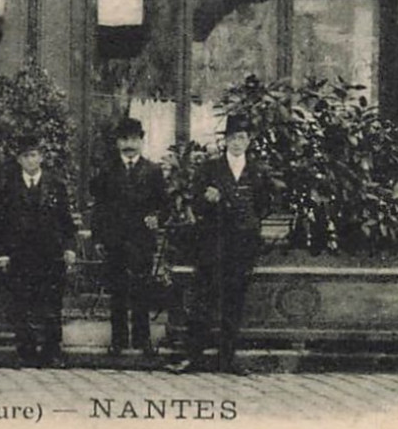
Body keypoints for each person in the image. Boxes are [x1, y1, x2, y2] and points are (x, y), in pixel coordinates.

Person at [170, 114, 271, 376]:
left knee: (233, 303)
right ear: (225, 140)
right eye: (232, 138)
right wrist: (208, 199)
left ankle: (228, 360)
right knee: (203, 301)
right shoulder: (210, 168)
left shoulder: (258, 170)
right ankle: (193, 357)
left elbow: (264, 205)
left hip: (242, 246)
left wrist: (247, 221)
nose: (236, 143)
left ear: (248, 141)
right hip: (212, 244)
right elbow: (196, 203)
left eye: (241, 138)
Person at [0, 135, 77, 367]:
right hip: (19, 254)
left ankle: (52, 350)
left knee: (51, 305)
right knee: (20, 303)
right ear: (19, 160)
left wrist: (69, 248)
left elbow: (66, 221)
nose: (30, 160)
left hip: (49, 254)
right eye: (25, 156)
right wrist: (1, 252)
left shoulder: (55, 184)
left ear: (41, 157)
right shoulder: (9, 186)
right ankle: (25, 350)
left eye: (34, 155)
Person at [90, 115, 170, 355]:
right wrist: (97, 238)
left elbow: (164, 205)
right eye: (124, 139)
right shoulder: (107, 170)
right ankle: (118, 340)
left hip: (141, 240)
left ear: (142, 142)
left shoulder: (153, 171)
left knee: (141, 291)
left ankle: (142, 339)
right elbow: (99, 207)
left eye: (134, 139)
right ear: (117, 143)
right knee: (117, 292)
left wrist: (158, 218)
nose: (129, 145)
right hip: (114, 240)